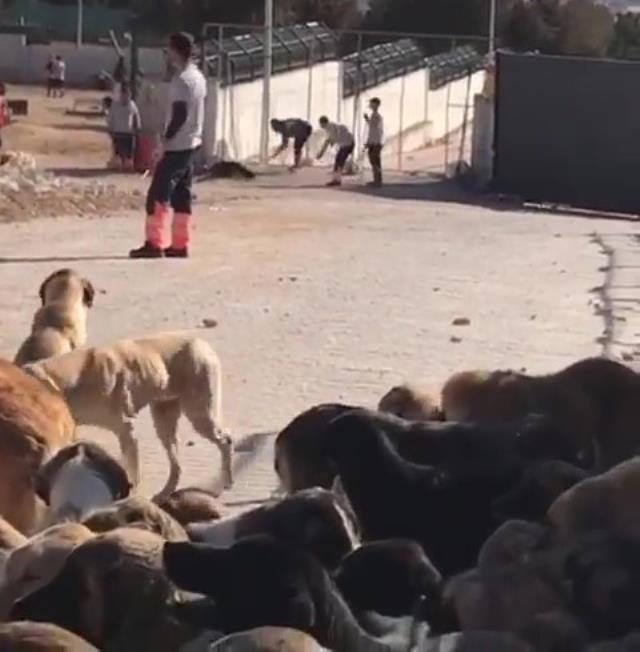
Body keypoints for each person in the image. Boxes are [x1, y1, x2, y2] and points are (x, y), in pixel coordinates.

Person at [129, 32, 207, 259]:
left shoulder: (182, 80)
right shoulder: (197, 77)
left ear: (176, 51)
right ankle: (180, 243)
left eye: (169, 49)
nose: (166, 54)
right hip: (192, 142)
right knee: (182, 194)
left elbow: (180, 114)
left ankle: (154, 243)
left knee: (158, 195)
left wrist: (165, 141)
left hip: (178, 144)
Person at [107, 83, 140, 171]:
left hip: (129, 133)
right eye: (124, 94)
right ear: (121, 94)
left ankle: (127, 165)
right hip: (117, 132)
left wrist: (137, 128)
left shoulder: (132, 105)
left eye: (128, 94)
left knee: (129, 152)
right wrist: (110, 129)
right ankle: (118, 164)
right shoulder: (115, 105)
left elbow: (136, 117)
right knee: (117, 151)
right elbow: (110, 118)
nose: (125, 96)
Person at [316, 116, 354, 187]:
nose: (320, 126)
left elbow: (328, 141)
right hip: (347, 143)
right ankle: (337, 179)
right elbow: (331, 140)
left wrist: (321, 153)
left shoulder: (329, 127)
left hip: (347, 144)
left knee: (339, 162)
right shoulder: (331, 126)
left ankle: (336, 180)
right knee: (339, 161)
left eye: (320, 124)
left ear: (323, 123)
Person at [364, 97, 384, 187]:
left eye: (372, 104)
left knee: (375, 161)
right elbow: (372, 127)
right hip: (374, 141)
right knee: (375, 162)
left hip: (375, 142)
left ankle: (377, 181)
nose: (370, 105)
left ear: (376, 105)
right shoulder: (374, 116)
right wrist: (367, 119)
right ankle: (377, 180)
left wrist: (370, 142)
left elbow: (375, 130)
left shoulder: (377, 116)